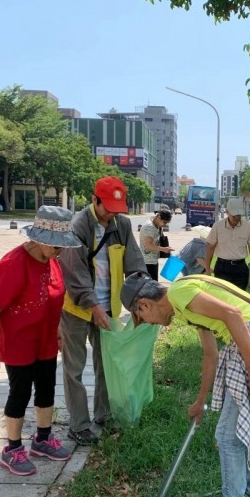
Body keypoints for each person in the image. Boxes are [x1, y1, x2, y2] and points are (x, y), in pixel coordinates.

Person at [120, 272, 250, 497]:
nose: (147, 323)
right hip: (249, 343)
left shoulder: (180, 293)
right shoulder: (183, 305)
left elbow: (234, 315)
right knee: (245, 425)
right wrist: (200, 401)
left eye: (141, 318)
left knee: (228, 437)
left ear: (144, 304)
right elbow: (210, 354)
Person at [0, 206, 83, 476]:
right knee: (20, 393)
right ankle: (13, 449)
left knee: (47, 389)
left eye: (62, 247)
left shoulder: (53, 261)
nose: (59, 251)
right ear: (38, 238)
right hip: (19, 342)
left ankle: (42, 439)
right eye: (55, 246)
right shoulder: (13, 264)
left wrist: (59, 328)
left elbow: (54, 298)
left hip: (45, 339)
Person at [58, 176, 147, 446]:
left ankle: (103, 415)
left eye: (116, 208)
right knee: (74, 369)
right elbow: (74, 274)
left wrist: (143, 297)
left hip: (107, 306)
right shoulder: (77, 226)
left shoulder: (122, 224)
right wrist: (92, 305)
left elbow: (135, 261)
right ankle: (79, 425)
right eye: (106, 207)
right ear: (94, 199)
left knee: (106, 365)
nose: (111, 214)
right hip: (76, 308)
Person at [203, 197, 250, 290]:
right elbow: (210, 247)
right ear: (227, 212)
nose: (236, 219)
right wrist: (208, 269)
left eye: (239, 216)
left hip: (240, 268)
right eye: (234, 216)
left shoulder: (247, 226)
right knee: (222, 297)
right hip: (222, 267)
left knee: (239, 298)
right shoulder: (218, 226)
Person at [140, 207, 174, 280]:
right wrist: (163, 249)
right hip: (147, 262)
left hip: (152, 259)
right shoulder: (150, 227)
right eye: (164, 222)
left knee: (153, 284)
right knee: (150, 285)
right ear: (159, 217)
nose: (165, 224)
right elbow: (148, 245)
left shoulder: (156, 224)